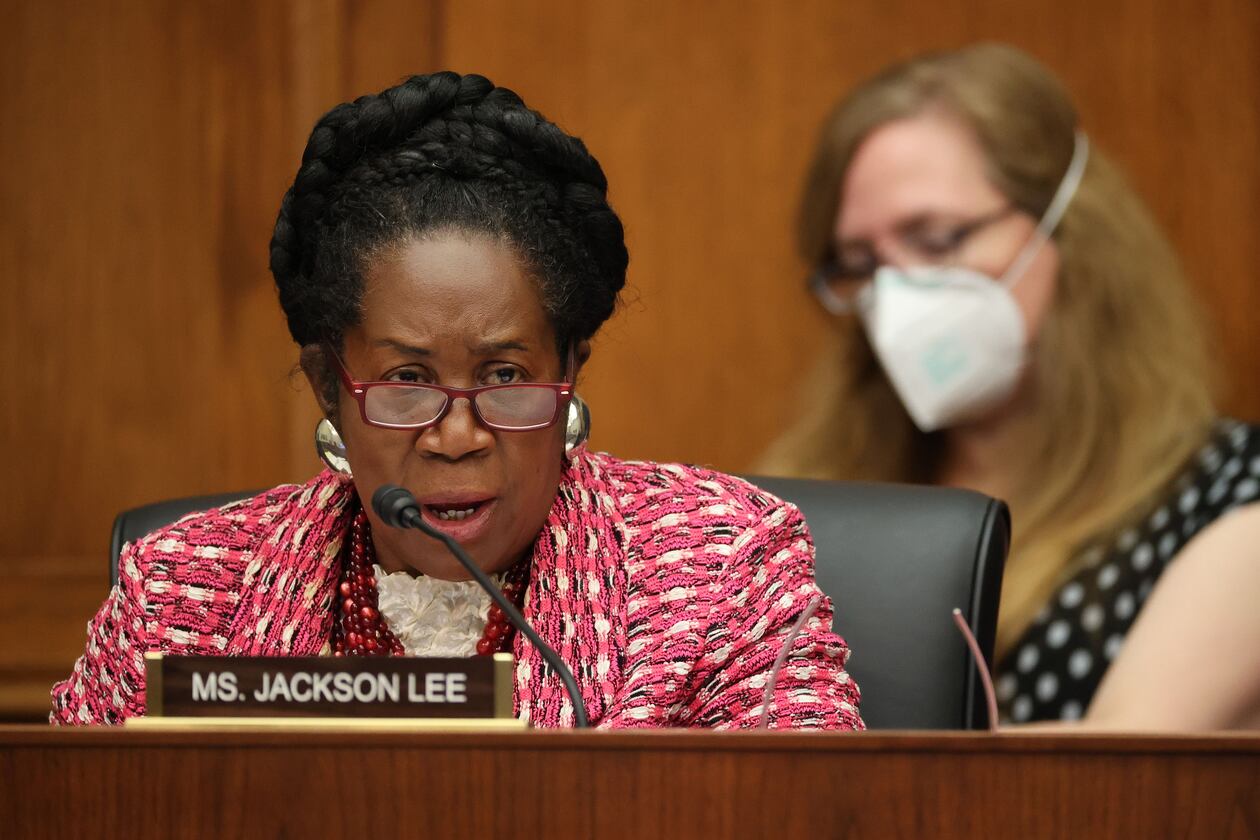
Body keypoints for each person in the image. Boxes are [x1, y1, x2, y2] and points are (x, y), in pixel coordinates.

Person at [52, 72, 862, 730]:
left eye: (507, 376)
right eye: (407, 381)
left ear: (571, 368)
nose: (458, 436)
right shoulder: (184, 592)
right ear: (331, 387)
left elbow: (806, 813)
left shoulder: (718, 568)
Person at [760, 43, 1260, 728]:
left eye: (937, 240)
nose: (897, 295)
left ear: (1068, 230)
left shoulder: (1233, 497)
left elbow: (1130, 766)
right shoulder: (799, 506)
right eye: (861, 263)